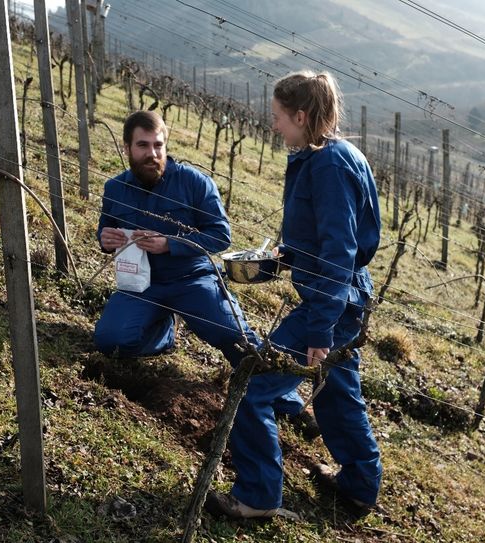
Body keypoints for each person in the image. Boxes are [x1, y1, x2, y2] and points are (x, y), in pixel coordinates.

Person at [206, 71, 383, 520]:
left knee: (252, 386)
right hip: (347, 298)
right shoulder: (338, 154)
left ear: (301, 116)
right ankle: (361, 485)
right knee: (336, 390)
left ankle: (258, 496)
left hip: (333, 301)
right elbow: (332, 238)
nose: (275, 126)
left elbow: (341, 250)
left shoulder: (327, 166)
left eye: (279, 117)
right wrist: (292, 254)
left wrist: (320, 327)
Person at [94, 111, 320, 437]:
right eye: (143, 146)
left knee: (236, 338)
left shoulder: (193, 182)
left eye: (158, 145)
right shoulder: (115, 188)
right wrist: (106, 239)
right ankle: (163, 331)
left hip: (193, 279)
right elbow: (106, 230)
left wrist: (170, 244)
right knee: (110, 340)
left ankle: (287, 402)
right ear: (128, 147)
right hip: (141, 283)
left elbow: (219, 235)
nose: (152, 153)